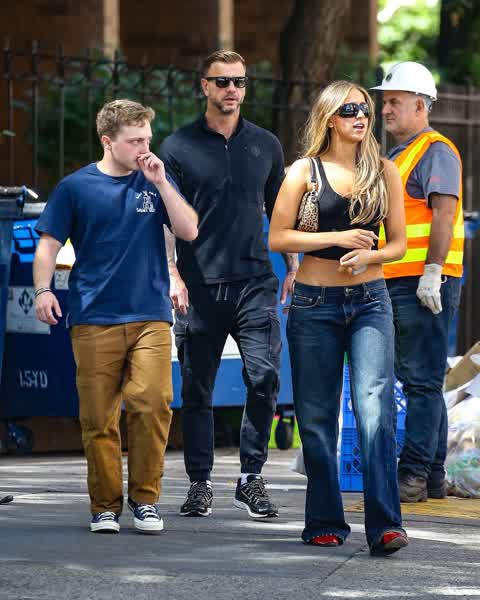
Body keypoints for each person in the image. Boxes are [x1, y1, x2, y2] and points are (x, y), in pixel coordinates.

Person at [33, 99, 198, 534]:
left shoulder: (155, 180)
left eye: (148, 139)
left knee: (153, 402)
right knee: (98, 417)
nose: (145, 149)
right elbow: (48, 244)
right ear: (108, 141)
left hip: (150, 313)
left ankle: (146, 500)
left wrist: (161, 184)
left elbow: (188, 229)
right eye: (135, 141)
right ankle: (104, 505)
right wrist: (43, 290)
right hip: (93, 314)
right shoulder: (75, 187)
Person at [269, 80, 409, 556]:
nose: (361, 116)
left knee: (375, 410)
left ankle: (385, 525)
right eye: (350, 110)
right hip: (314, 305)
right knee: (316, 416)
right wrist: (339, 239)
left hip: (370, 301)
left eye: (365, 109)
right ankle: (325, 520)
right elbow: (278, 237)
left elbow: (397, 244)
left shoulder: (384, 170)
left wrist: (370, 256)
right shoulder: (304, 171)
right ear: (330, 118)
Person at [159, 50, 298, 519]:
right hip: (198, 285)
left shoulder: (265, 145)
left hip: (255, 281)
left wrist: (293, 266)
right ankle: (199, 483)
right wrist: (173, 274)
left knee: (264, 377)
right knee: (197, 388)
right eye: (222, 82)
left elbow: (280, 210)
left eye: (239, 81)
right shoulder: (178, 147)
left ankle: (250, 478)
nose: (232, 89)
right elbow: (166, 219)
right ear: (205, 86)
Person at [372, 62, 464, 503]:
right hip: (398, 278)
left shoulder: (436, 151)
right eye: (385, 101)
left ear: (420, 106)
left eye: (394, 101)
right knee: (422, 380)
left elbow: (444, 213)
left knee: (422, 381)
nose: (385, 109)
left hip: (424, 281)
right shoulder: (397, 156)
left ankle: (412, 474)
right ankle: (432, 476)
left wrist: (433, 270)